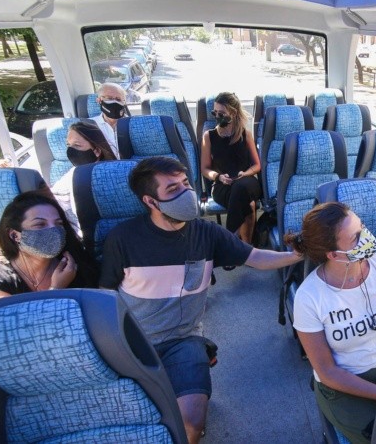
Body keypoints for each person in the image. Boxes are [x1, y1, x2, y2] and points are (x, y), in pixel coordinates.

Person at [98, 156, 302, 444]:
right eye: (172, 190)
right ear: (151, 201)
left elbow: (254, 257)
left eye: (185, 184)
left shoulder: (206, 233)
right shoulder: (123, 239)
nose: (185, 194)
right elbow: (105, 297)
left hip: (183, 338)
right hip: (132, 341)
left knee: (191, 424)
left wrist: (296, 255)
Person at [285, 202, 376, 444]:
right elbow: (327, 371)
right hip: (344, 388)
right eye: (356, 237)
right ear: (333, 255)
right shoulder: (309, 297)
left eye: (362, 226)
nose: (366, 236)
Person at [0, 191, 99, 303]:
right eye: (40, 225)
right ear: (14, 235)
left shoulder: (74, 268)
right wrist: (56, 289)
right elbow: (12, 330)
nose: (54, 231)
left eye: (58, 224)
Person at [200, 92, 262, 244]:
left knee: (241, 187)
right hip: (222, 184)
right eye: (215, 112)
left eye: (222, 113)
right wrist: (218, 177)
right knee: (249, 204)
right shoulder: (209, 136)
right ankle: (245, 247)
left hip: (246, 180)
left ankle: (230, 242)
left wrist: (245, 173)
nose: (217, 116)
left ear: (233, 113)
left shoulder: (245, 135)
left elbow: (257, 165)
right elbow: (205, 169)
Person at [51, 121, 117, 235]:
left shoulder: (116, 173)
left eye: (77, 145)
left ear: (96, 151)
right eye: (68, 145)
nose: (71, 151)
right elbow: (53, 199)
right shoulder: (72, 174)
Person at [90, 82, 128, 158]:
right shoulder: (88, 125)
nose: (114, 102)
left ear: (124, 103)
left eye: (118, 99)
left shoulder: (133, 125)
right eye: (109, 98)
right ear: (99, 100)